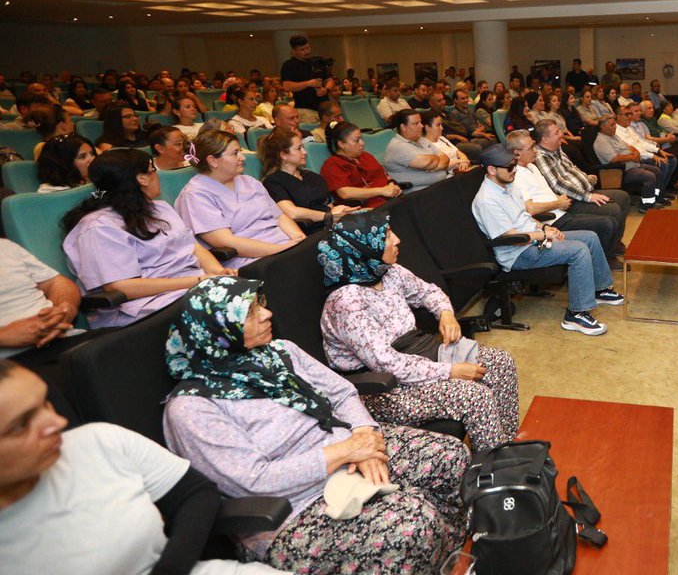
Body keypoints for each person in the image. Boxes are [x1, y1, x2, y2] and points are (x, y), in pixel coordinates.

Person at [162, 277, 470, 574]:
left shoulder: (279, 352)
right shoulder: (192, 407)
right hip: (291, 508)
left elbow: (342, 393)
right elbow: (253, 481)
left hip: (348, 444)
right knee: (414, 524)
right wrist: (346, 451)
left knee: (450, 457)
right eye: (252, 313)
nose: (268, 314)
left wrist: (365, 434)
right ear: (219, 332)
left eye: (262, 304)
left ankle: (453, 556)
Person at [0, 361, 288, 575]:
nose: (58, 423)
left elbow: (195, 493)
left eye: (46, 403)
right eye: (23, 424)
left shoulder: (98, 441)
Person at [319, 214, 519, 452]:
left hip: (419, 353)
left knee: (501, 363)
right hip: (382, 387)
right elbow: (386, 364)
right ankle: (493, 472)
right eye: (386, 236)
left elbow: (428, 292)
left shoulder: (389, 272)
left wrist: (445, 313)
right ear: (364, 248)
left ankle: (504, 447)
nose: (397, 240)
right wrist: (450, 372)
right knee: (475, 396)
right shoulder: (345, 302)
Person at [64, 149, 234, 328]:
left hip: (189, 289)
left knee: (248, 294)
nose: (157, 175)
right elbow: (119, 287)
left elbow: (191, 246)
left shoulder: (160, 208)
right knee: (234, 309)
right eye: (153, 170)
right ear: (142, 179)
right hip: (145, 306)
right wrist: (199, 281)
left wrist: (218, 272)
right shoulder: (99, 226)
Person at [472, 146, 624, 336]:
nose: (514, 169)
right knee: (578, 250)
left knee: (590, 237)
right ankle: (575, 314)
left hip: (532, 239)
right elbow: (511, 238)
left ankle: (598, 289)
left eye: (514, 164)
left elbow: (524, 218)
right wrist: (544, 236)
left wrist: (544, 227)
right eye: (509, 167)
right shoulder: (487, 200)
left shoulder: (509, 185)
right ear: (492, 170)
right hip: (518, 254)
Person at [175, 130, 304, 269]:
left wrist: (300, 240)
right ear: (213, 161)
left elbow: (279, 216)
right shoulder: (195, 195)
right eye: (235, 153)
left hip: (285, 247)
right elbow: (226, 242)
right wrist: (281, 249)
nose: (243, 157)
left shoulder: (249, 182)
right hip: (250, 260)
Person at [505, 130, 622, 262]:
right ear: (517, 153)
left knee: (610, 219)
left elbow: (546, 192)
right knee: (606, 223)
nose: (535, 150)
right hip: (551, 220)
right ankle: (604, 261)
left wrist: (559, 199)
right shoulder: (516, 175)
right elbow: (530, 209)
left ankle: (603, 257)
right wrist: (557, 203)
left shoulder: (531, 166)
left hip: (561, 210)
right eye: (531, 147)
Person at [259, 129, 356, 233]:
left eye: (303, 147)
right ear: (283, 155)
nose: (305, 152)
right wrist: (329, 216)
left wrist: (340, 213)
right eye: (299, 148)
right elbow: (292, 213)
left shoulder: (311, 176)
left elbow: (328, 205)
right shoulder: (273, 182)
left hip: (333, 225)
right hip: (312, 232)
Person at [594, 113, 670, 212]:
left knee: (657, 171)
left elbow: (629, 146)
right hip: (621, 171)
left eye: (614, 124)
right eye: (612, 125)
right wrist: (631, 157)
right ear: (603, 127)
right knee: (649, 176)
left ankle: (655, 199)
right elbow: (614, 159)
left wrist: (636, 152)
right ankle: (645, 207)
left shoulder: (614, 136)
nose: (615, 127)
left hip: (634, 165)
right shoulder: (601, 141)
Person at [320, 121, 401, 209]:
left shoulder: (366, 156)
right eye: (356, 140)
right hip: (368, 208)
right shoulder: (332, 165)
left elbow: (386, 176)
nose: (362, 143)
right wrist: (381, 191)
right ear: (341, 144)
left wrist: (392, 185)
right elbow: (345, 193)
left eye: (361, 138)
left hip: (392, 200)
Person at [279, 35, 328, 123]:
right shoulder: (289, 65)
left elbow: (330, 80)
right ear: (294, 51)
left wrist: (326, 89)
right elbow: (287, 86)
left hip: (324, 108)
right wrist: (308, 83)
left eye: (307, 48)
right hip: (305, 108)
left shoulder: (316, 62)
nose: (306, 51)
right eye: (302, 49)